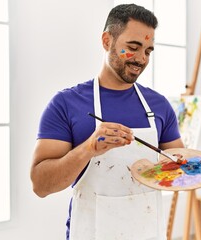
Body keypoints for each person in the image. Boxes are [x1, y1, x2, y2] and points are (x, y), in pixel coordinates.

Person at [30, 4, 184, 240]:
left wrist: (194, 168)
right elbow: (41, 185)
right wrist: (88, 148)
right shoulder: (65, 104)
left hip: (147, 232)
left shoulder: (159, 106)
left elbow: (179, 168)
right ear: (106, 40)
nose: (141, 59)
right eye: (133, 48)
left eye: (148, 51)